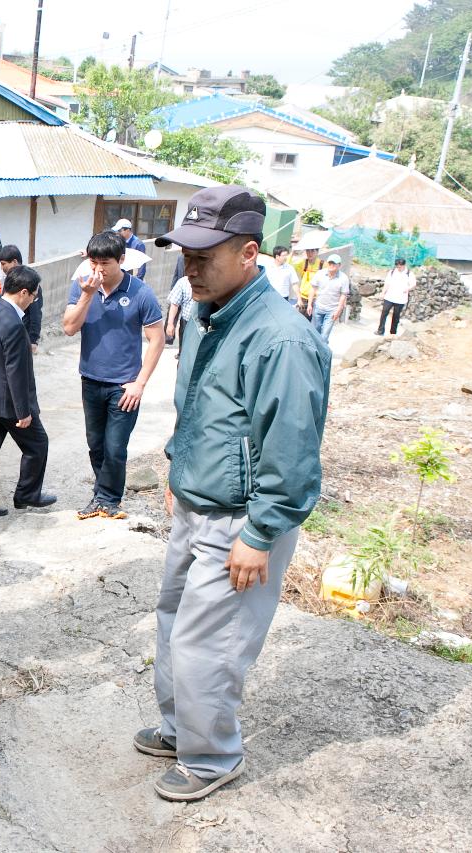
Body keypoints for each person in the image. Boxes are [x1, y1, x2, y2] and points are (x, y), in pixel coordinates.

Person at [143, 185, 330, 801]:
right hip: (196, 503)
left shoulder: (280, 338)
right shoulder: (205, 316)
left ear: (249, 253)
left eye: (204, 257)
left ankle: (213, 755)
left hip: (241, 520)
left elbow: (292, 446)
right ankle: (180, 729)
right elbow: (199, 409)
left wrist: (261, 532)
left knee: (210, 643)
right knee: (173, 625)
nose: (189, 269)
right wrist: (177, 468)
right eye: (185, 256)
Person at [62, 230, 166, 521]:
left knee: (115, 447)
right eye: (93, 262)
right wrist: (86, 294)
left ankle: (108, 498)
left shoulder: (140, 292)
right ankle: (103, 495)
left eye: (105, 262)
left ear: (122, 260)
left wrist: (139, 384)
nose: (98, 269)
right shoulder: (82, 287)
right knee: (95, 444)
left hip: (124, 386)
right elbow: (69, 328)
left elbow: (157, 340)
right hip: (91, 379)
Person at [0, 265, 55, 519]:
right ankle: (27, 494)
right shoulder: (14, 324)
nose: (34, 300)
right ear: (25, 293)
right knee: (38, 444)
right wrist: (24, 411)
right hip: (10, 403)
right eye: (35, 295)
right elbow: (16, 371)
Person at [0, 244, 43, 352]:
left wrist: (33, 340)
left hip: (23, 335)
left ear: (14, 262)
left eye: (4, 264)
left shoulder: (30, 281)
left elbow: (35, 313)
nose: (2, 268)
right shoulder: (11, 280)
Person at [306, 253, 351, 342]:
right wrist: (309, 304)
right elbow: (313, 289)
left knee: (324, 335)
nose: (331, 265)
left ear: (339, 265)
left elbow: (343, 295)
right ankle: (314, 351)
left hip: (332, 310)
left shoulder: (344, 278)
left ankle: (322, 354)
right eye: (330, 263)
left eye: (334, 263)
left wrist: (339, 310)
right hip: (318, 307)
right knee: (315, 331)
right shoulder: (320, 274)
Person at [377, 258, 416, 336]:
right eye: (397, 266)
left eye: (400, 267)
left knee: (396, 316)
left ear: (404, 265)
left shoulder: (409, 273)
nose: (398, 268)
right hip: (389, 297)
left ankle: (393, 333)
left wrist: (407, 289)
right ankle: (380, 331)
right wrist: (383, 293)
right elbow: (387, 283)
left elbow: (413, 284)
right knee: (384, 313)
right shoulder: (392, 272)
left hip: (400, 299)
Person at [164, 274, 193, 354]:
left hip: (204, 323)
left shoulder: (210, 281)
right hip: (186, 323)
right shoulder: (183, 282)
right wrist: (170, 324)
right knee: (184, 352)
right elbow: (174, 304)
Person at [294, 247, 321, 316]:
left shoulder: (322, 264)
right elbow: (289, 266)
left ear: (317, 252)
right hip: (303, 298)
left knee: (314, 323)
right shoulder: (303, 263)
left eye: (312, 251)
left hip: (316, 299)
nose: (310, 253)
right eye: (308, 251)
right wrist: (292, 253)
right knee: (301, 320)